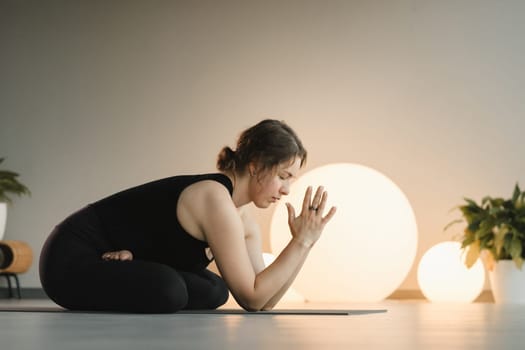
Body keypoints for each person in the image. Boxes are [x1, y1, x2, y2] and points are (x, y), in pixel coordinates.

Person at [39, 119, 336, 313]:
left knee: (215, 290)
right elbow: (252, 296)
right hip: (71, 258)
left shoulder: (242, 219)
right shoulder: (214, 197)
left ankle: (135, 263)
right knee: (170, 289)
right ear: (256, 165)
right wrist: (298, 244)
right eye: (283, 176)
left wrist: (304, 241)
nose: (286, 190)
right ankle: (133, 267)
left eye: (291, 181)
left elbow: (265, 301)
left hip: (118, 260)